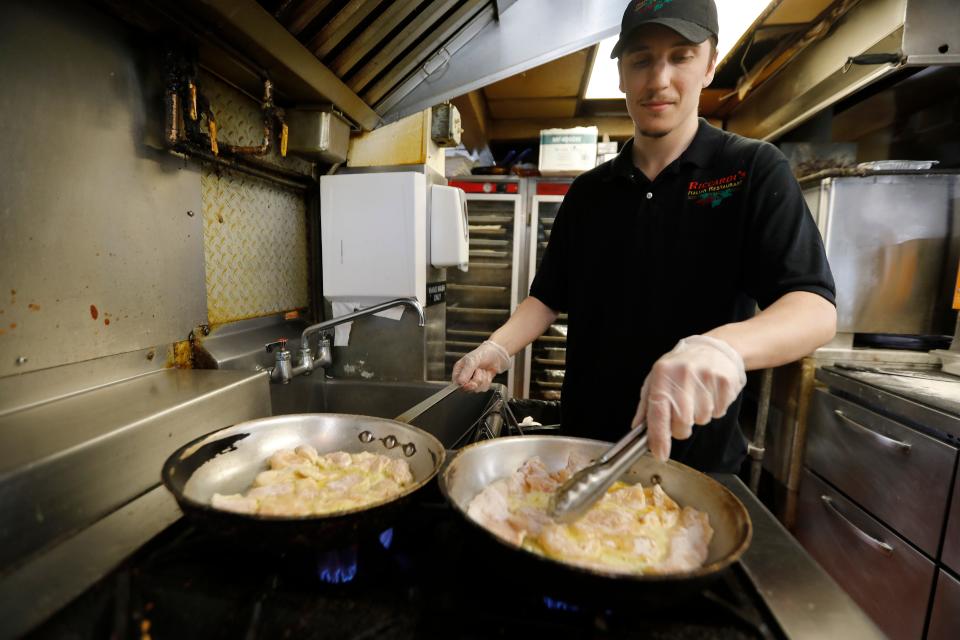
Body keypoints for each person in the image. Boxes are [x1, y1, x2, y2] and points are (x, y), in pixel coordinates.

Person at [452, 0, 837, 473]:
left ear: (710, 63)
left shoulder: (751, 170)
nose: (658, 80)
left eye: (680, 56)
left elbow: (814, 309)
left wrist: (722, 347)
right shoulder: (589, 193)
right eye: (640, 59)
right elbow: (547, 297)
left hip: (695, 465)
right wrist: (496, 348)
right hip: (583, 453)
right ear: (621, 74)